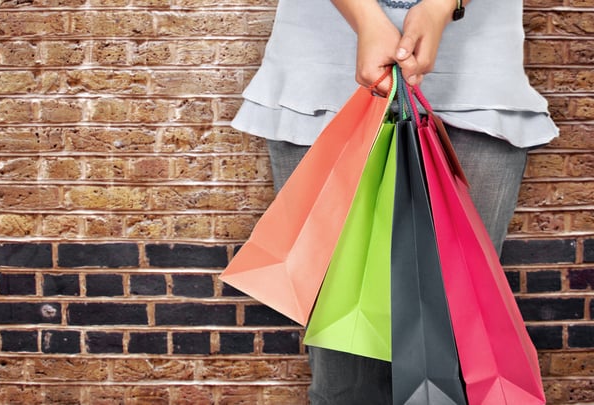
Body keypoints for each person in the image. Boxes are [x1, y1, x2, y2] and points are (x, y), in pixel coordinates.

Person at [232, 0, 559, 403]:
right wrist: (365, 17)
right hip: (323, 77)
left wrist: (442, 6)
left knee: (457, 348)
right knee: (347, 369)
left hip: (478, 79)